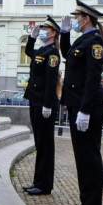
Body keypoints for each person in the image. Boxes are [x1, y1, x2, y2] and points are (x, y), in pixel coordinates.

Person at [59, 0, 103, 205]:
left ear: (86, 18)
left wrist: (85, 111)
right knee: (83, 159)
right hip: (79, 105)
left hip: (87, 107)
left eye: (77, 17)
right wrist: (65, 35)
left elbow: (91, 79)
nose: (75, 20)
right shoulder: (84, 39)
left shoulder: (95, 42)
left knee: (89, 159)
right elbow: (68, 55)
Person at [21, 16, 62, 195]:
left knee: (45, 145)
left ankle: (44, 185)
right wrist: (32, 37)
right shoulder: (41, 50)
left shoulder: (52, 53)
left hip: (44, 103)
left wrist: (47, 105)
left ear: (53, 33)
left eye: (45, 29)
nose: (43, 30)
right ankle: (38, 181)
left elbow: (51, 80)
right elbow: (29, 51)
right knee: (39, 143)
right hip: (35, 99)